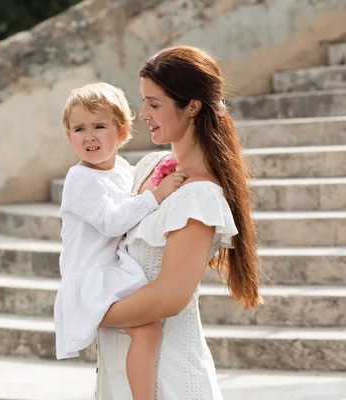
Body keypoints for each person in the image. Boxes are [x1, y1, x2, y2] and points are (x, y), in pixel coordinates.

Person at [94, 46, 262, 399]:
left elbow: (170, 296)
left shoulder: (201, 197)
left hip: (168, 377)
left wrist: (89, 312)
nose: (143, 115)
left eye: (154, 104)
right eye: (143, 102)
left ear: (192, 107)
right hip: (119, 370)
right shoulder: (147, 168)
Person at [54, 82, 188, 400]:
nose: (89, 136)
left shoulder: (124, 170)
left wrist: (161, 183)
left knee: (147, 328)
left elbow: (135, 205)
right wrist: (157, 194)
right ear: (69, 136)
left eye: (99, 126)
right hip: (91, 281)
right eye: (79, 128)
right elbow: (113, 220)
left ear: (122, 130)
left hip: (112, 273)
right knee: (149, 327)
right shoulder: (79, 179)